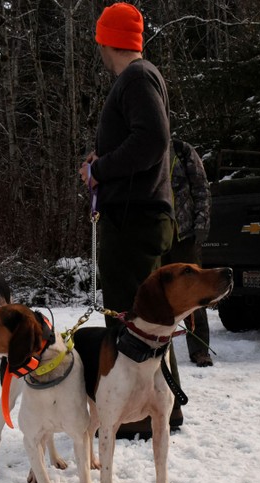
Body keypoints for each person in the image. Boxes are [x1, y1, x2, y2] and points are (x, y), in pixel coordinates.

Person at [79, 2, 182, 434]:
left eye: (100, 38)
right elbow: (142, 143)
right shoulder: (141, 79)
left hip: (134, 220)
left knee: (131, 319)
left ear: (107, 39)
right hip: (139, 216)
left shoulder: (136, 78)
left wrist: (100, 170)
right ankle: (162, 408)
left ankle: (138, 418)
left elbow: (152, 141)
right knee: (151, 318)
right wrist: (101, 159)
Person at [163, 138, 213, 367]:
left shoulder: (182, 151)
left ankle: (199, 349)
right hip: (157, 234)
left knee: (193, 294)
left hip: (184, 235)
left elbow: (202, 188)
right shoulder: (146, 148)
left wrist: (202, 222)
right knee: (160, 295)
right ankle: (160, 347)